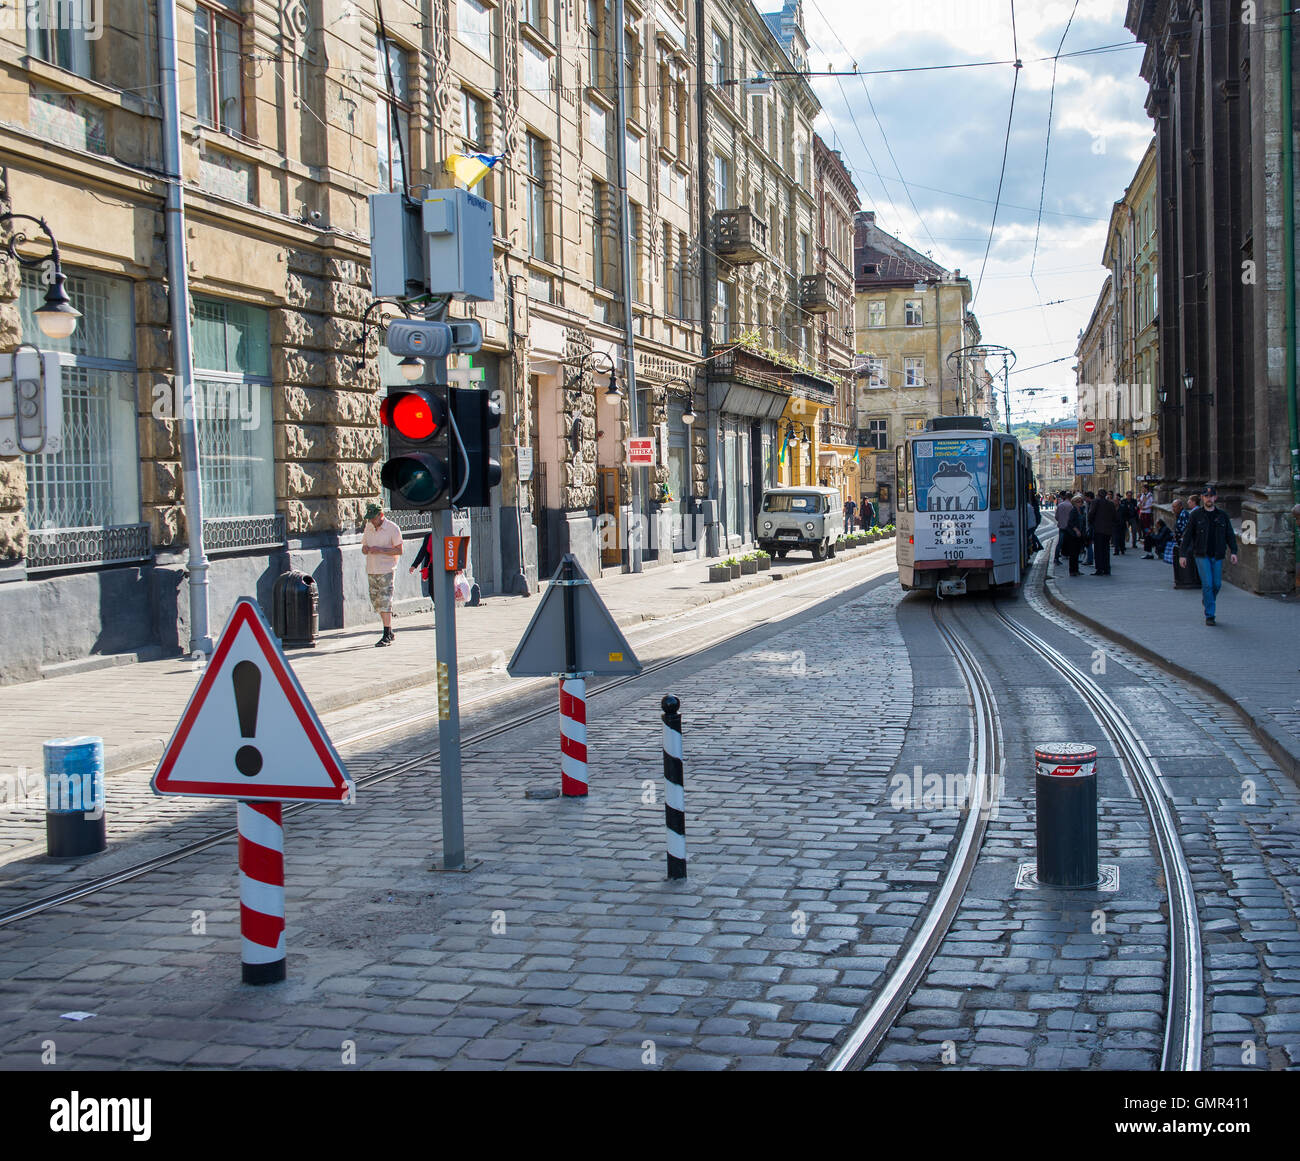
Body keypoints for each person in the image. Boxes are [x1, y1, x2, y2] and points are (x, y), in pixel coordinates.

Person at [1179, 484, 1238, 625]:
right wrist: (1182, 554)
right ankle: (1210, 615)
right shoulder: (1196, 515)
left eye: (1211, 496)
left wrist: (1234, 552)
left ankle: (1207, 600)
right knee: (1207, 584)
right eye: (1206, 496)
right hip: (1201, 554)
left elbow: (1230, 534)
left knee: (1216, 584)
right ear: (1202, 498)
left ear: (1215, 498)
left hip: (1217, 554)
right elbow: (1187, 536)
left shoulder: (1222, 516)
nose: (1208, 499)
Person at [361, 501, 404, 646]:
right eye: (370, 518)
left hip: (386, 569)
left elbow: (399, 550)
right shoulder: (368, 527)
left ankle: (386, 634)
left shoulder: (392, 528)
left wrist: (380, 550)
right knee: (376, 602)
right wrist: (365, 549)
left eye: (373, 518)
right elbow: (364, 546)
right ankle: (390, 631)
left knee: (385, 601)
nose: (372, 521)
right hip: (372, 569)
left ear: (381, 515)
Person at [1089, 488, 1117, 575]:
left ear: (1098, 495)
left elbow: (1091, 514)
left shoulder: (1095, 502)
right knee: (1106, 549)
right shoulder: (1110, 503)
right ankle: (1106, 568)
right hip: (1108, 530)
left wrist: (1091, 523)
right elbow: (1114, 516)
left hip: (1098, 529)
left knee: (1098, 550)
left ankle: (1099, 569)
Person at [408, 532, 436, 611]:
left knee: (443, 590)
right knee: (431, 590)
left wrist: (458, 569)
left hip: (445, 568)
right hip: (433, 567)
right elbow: (422, 552)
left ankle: (444, 608)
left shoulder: (448, 534)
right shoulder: (428, 536)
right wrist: (414, 565)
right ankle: (440, 607)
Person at [1062, 493, 1086, 575]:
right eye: (1078, 502)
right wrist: (1076, 530)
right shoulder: (1073, 511)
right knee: (1073, 553)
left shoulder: (1081, 510)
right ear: (1074, 503)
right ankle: (1072, 570)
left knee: (1077, 552)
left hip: (1079, 534)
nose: (1080, 503)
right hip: (1073, 535)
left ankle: (1076, 570)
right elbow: (1070, 522)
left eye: (1081, 501)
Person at [1054, 490, 1073, 564]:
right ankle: (1069, 555)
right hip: (1069, 527)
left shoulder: (1060, 505)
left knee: (1060, 543)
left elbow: (1056, 517)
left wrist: (1061, 521)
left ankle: (1056, 558)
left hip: (1062, 526)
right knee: (1070, 542)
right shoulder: (1071, 506)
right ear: (1071, 498)